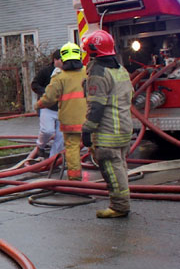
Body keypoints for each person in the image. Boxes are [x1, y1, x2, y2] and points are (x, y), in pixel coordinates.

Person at [81, 30, 134, 218]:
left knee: (111, 169)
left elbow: (96, 105)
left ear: (93, 50)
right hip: (124, 127)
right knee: (119, 166)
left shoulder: (98, 71)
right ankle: (122, 202)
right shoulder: (119, 69)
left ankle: (119, 206)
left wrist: (87, 129)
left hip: (108, 130)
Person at [35, 42, 87, 180]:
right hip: (90, 119)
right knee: (95, 145)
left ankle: (75, 179)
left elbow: (49, 98)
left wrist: (38, 105)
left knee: (72, 148)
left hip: (70, 121)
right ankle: (108, 173)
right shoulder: (88, 72)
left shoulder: (59, 77)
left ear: (63, 59)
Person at [31, 49, 65, 158]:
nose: (64, 62)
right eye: (61, 60)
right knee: (47, 131)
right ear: (55, 60)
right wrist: (46, 92)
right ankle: (40, 146)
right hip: (47, 107)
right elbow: (35, 84)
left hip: (62, 109)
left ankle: (53, 159)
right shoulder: (45, 71)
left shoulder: (67, 72)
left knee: (61, 137)